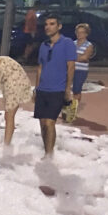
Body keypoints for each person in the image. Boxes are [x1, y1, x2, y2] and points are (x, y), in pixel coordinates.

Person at [33, 12, 76, 157]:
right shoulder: (43, 45)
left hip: (57, 89)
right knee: (43, 124)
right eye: (46, 24)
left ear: (59, 26)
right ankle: (46, 150)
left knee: (50, 123)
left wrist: (67, 89)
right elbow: (40, 67)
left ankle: (49, 154)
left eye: (52, 24)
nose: (48, 27)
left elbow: (71, 66)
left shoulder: (67, 43)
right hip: (42, 89)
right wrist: (36, 87)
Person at [64, 23, 95, 123]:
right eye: (78, 32)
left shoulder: (89, 45)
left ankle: (73, 111)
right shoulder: (72, 43)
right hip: (69, 69)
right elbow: (66, 56)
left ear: (86, 34)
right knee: (65, 89)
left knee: (77, 90)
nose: (79, 34)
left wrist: (73, 57)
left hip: (81, 71)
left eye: (82, 32)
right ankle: (65, 109)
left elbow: (85, 58)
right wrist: (77, 57)